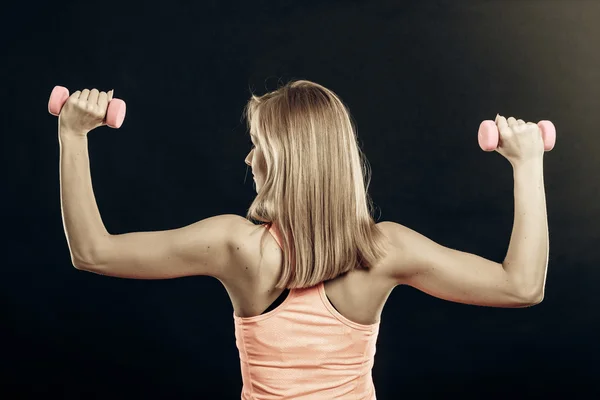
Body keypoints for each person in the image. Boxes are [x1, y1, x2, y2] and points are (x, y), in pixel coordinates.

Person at [59, 80, 549, 399]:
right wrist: (527, 165)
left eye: (259, 147)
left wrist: (73, 135)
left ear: (286, 161)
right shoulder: (383, 251)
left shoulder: (237, 247)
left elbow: (92, 252)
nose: (249, 161)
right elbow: (521, 286)